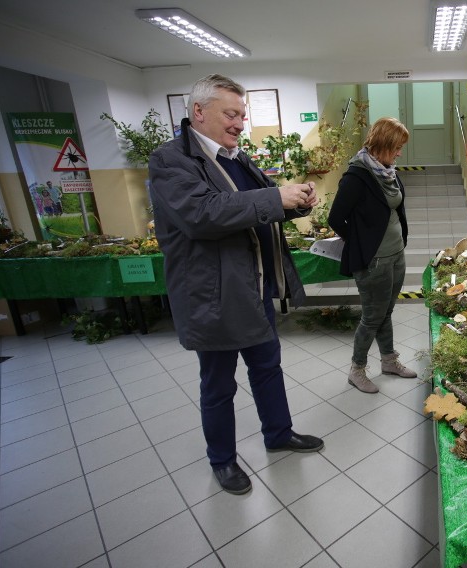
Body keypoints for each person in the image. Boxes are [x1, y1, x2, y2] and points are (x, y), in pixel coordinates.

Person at [148, 74, 324, 495]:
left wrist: (294, 203)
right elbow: (202, 214)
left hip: (253, 287)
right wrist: (273, 198)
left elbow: (256, 209)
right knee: (219, 383)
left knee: (267, 368)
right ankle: (222, 460)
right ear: (198, 112)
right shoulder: (171, 160)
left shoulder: (235, 159)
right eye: (231, 114)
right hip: (213, 297)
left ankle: (278, 433)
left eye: (242, 115)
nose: (239, 123)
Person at [327, 117, 418, 394]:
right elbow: (336, 217)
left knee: (386, 311)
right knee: (372, 316)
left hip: (396, 254)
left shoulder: (387, 170)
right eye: (397, 146)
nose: (400, 152)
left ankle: (389, 361)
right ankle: (357, 369)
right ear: (384, 144)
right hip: (374, 261)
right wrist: (362, 243)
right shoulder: (358, 175)